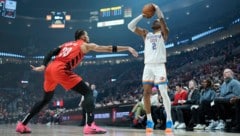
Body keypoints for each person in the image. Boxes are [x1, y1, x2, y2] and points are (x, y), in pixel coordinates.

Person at [16, 29, 138, 134]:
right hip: (61, 69)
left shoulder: (66, 44)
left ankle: (22, 124)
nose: (89, 36)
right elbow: (107, 48)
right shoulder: (84, 45)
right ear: (83, 37)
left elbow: (51, 52)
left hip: (50, 69)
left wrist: (43, 65)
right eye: (87, 34)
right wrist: (127, 48)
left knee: (45, 100)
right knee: (88, 92)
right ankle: (90, 126)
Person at [128, 3, 173, 133]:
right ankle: (149, 120)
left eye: (156, 19)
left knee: (163, 92)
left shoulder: (164, 33)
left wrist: (158, 9)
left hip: (159, 66)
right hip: (148, 66)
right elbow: (130, 26)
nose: (155, 20)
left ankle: (169, 120)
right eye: (154, 19)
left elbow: (162, 19)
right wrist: (142, 15)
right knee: (146, 93)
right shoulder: (146, 34)